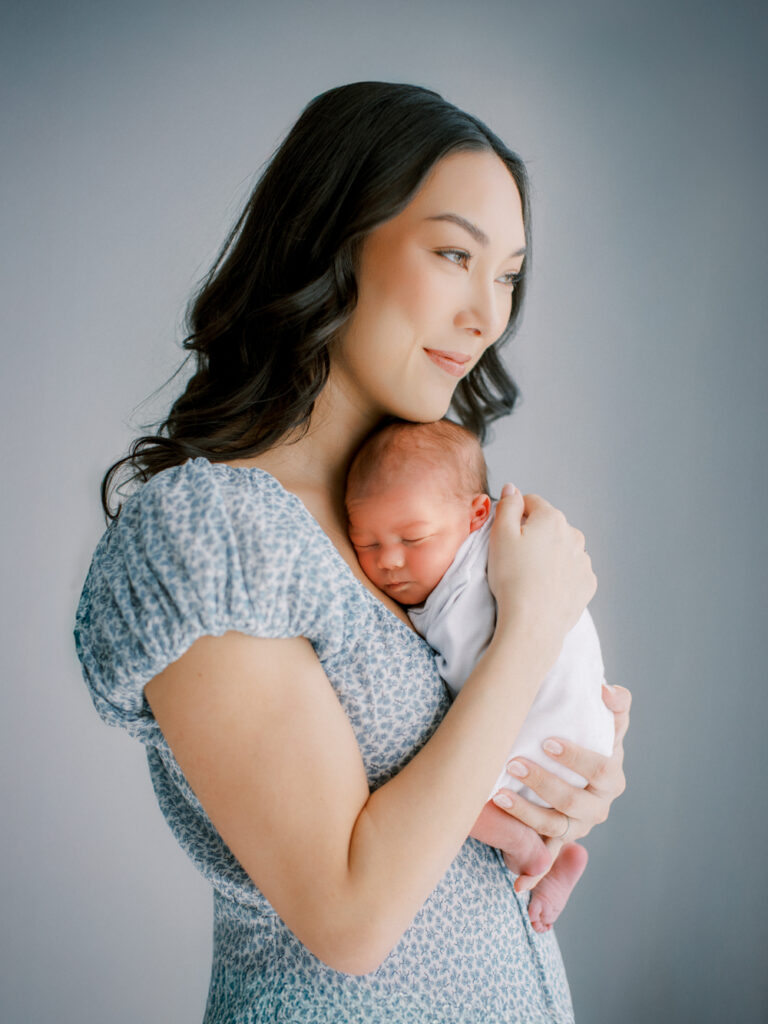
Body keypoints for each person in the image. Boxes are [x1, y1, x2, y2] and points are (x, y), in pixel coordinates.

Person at [74, 82, 631, 1023]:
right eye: (455, 254)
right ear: (335, 244)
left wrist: (568, 777)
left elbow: (469, 770)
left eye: (507, 274)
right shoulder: (212, 533)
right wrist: (528, 635)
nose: (487, 315)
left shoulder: (423, 524)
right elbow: (351, 917)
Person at [345, 418, 616, 933]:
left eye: (413, 537)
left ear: (476, 514)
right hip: (584, 734)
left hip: (554, 734)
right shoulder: (477, 547)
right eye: (368, 543)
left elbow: (480, 683)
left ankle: (526, 848)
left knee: (453, 795)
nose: (390, 561)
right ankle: (562, 860)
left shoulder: (470, 582)